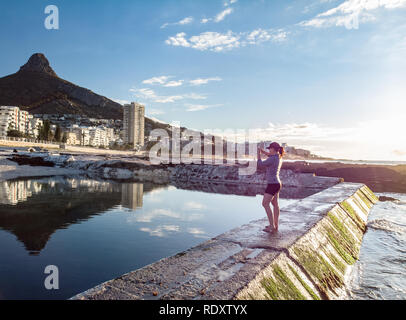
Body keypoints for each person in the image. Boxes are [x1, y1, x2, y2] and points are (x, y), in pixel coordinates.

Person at [257, 142, 285, 232]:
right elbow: (270, 155)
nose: (269, 150)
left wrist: (258, 154)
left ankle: (271, 226)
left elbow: (260, 164)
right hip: (277, 183)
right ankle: (276, 225)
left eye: (270, 148)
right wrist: (263, 151)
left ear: (273, 149)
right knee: (275, 204)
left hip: (272, 184)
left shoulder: (272, 159)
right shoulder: (278, 157)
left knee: (265, 204)